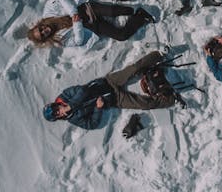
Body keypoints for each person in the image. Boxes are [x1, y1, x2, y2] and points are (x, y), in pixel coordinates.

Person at [42, 50, 180, 132]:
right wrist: (98, 108)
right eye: (57, 114)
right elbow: (91, 124)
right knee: (144, 104)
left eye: (56, 109)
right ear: (59, 117)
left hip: (108, 82)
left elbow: (82, 91)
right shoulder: (73, 119)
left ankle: (159, 54)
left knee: (133, 69)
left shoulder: (66, 95)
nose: (59, 111)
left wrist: (71, 104)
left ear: (56, 104)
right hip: (114, 100)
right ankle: (172, 98)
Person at [27, 0, 155, 48]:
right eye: (43, 35)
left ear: (39, 25)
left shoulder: (48, 13)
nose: (44, 31)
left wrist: (74, 14)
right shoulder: (59, 40)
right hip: (90, 26)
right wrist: (77, 25)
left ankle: (132, 11)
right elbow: (78, 41)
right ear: (45, 39)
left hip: (85, 10)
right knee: (121, 36)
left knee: (118, 11)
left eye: (40, 29)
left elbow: (62, 0)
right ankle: (140, 16)